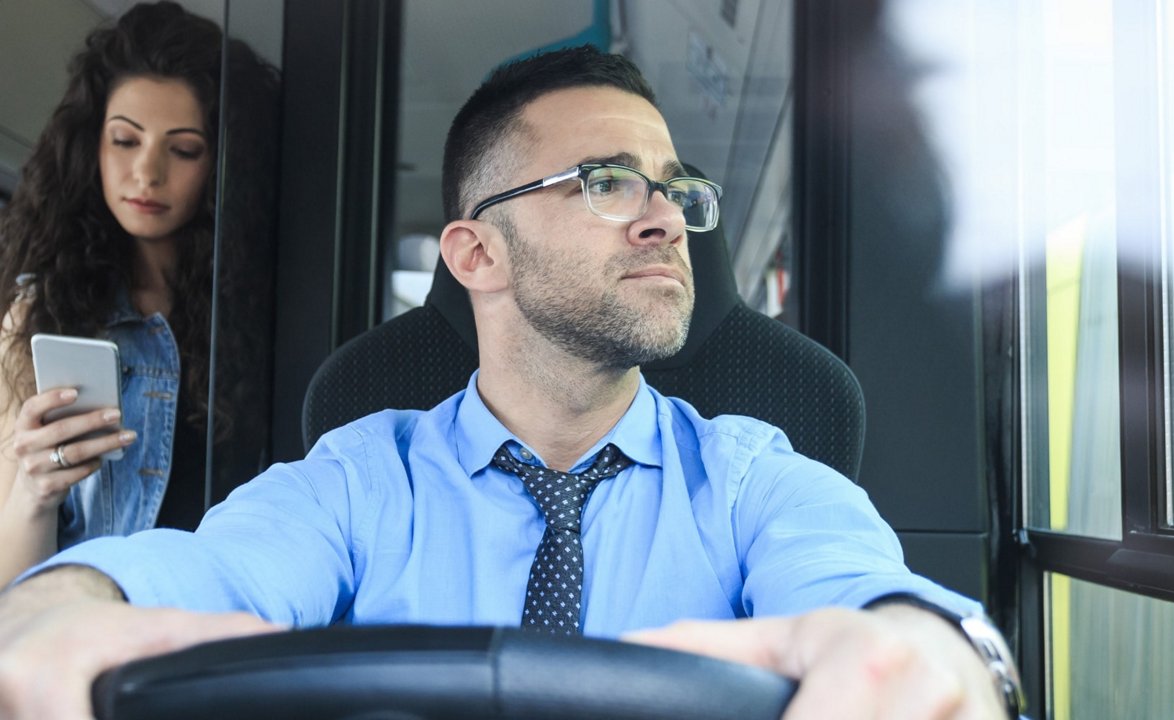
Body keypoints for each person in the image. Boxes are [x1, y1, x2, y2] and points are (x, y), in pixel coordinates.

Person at [0, 47, 1017, 719]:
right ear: (475, 253)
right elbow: (205, 570)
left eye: (673, 189)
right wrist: (56, 608)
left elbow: (873, 596)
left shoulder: (756, 478)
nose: (664, 218)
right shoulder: (362, 477)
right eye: (608, 182)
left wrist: (934, 652)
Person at [0, 2, 279, 587]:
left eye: (182, 150)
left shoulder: (270, 312)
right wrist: (33, 493)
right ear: (91, 148)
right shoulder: (40, 314)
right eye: (125, 140)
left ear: (221, 165)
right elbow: (10, 592)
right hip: (84, 629)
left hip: (220, 634)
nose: (147, 173)